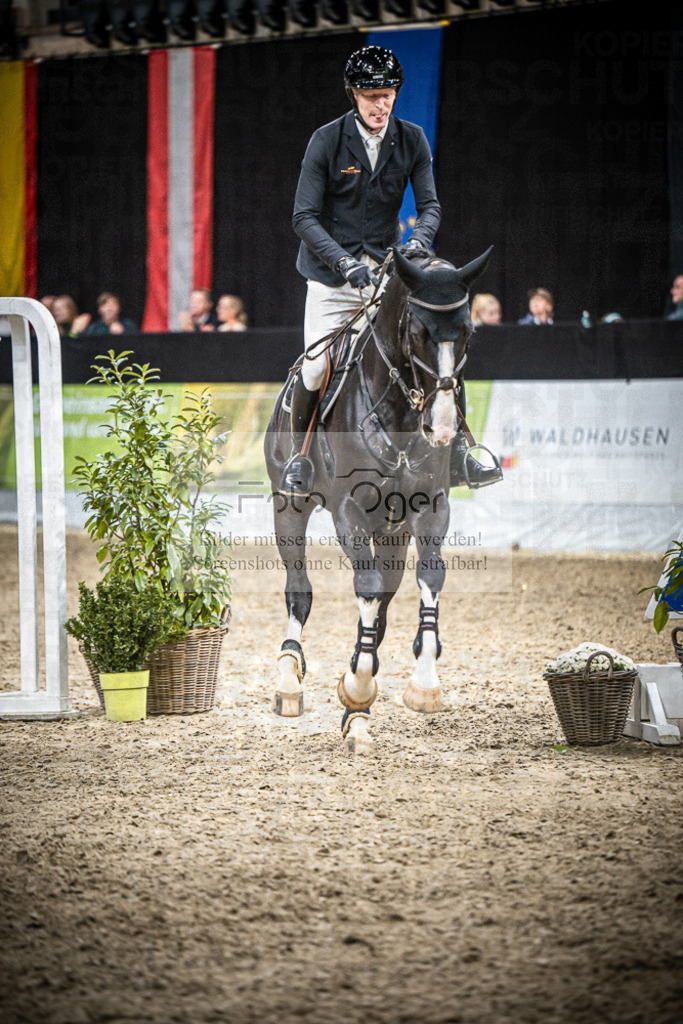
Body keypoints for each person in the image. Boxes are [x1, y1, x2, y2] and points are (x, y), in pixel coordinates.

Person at [283, 45, 497, 496]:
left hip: (383, 275)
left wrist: (418, 240)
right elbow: (303, 217)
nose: (381, 104)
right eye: (372, 95)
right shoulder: (326, 140)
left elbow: (430, 206)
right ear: (354, 94)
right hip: (329, 279)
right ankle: (300, 459)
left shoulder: (412, 138)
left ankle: (459, 454)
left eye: (388, 94)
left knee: (432, 348)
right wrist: (341, 261)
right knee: (317, 368)